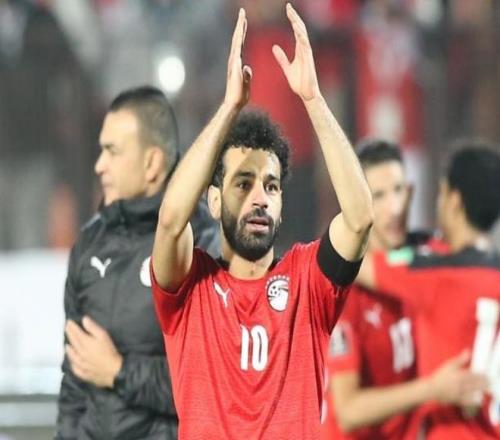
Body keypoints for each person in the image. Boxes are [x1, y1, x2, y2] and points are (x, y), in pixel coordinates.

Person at [150, 4, 373, 439]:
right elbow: (171, 219)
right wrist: (228, 108)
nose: (260, 198)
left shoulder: (308, 283)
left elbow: (360, 218)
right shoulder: (190, 288)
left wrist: (313, 100)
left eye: (271, 187)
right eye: (243, 183)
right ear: (214, 201)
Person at [55, 86, 219, 440]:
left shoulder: (202, 245)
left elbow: (211, 383)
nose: (99, 165)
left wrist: (119, 372)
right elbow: (73, 385)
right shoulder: (89, 244)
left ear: (152, 163)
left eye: (112, 151)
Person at [321, 140, 487, 440]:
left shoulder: (432, 263)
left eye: (398, 190)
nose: (394, 208)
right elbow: (348, 412)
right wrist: (432, 389)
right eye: (379, 196)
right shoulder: (343, 292)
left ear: (411, 192)